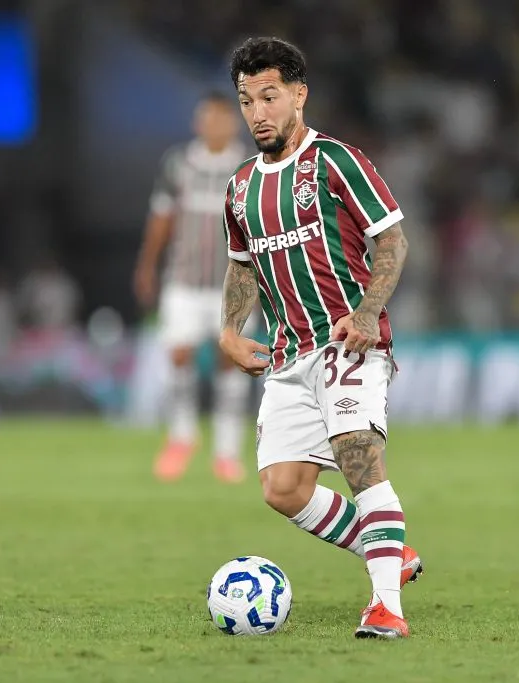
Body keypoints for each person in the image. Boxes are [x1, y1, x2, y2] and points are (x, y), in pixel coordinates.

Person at [218, 37, 421, 639]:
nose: (258, 111)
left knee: (359, 456)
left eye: (270, 96)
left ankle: (387, 607)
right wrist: (228, 330)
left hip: (348, 344)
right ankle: (391, 553)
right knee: (283, 489)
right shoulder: (240, 187)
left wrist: (365, 313)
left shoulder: (336, 162)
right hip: (287, 355)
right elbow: (242, 263)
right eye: (247, 99)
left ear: (299, 95)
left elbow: (392, 241)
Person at [134, 92, 257, 484]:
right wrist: (147, 265)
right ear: (196, 123)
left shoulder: (251, 166)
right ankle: (182, 436)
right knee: (179, 353)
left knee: (231, 361)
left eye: (220, 119)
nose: (213, 126)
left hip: (234, 284)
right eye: (206, 119)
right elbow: (161, 217)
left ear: (233, 124)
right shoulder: (178, 164)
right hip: (184, 280)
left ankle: (226, 451)